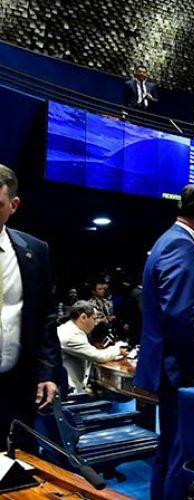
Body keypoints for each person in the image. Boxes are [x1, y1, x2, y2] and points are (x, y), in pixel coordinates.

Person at [134, 182, 194, 500]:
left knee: (171, 450)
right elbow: (178, 314)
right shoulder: (181, 245)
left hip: (175, 370)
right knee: (182, 456)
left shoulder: (172, 241)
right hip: (184, 373)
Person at [0, 164, 59, 446]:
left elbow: (46, 317)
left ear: (13, 205)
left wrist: (47, 372)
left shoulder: (35, 250)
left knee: (22, 472)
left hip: (18, 386)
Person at [57, 300, 126, 394]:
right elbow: (98, 356)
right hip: (69, 393)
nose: (96, 322)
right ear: (83, 317)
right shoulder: (70, 336)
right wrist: (118, 348)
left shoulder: (69, 328)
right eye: (94, 319)